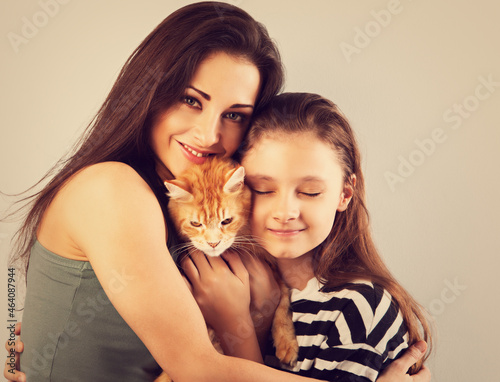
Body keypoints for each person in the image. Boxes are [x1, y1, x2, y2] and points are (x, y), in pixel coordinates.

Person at [3, 2, 430, 381]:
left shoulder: (191, 208)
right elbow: (198, 368)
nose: (209, 134)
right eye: (192, 100)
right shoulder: (112, 188)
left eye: (234, 114)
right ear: (151, 92)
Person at [182, 93, 432, 381]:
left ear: (344, 193)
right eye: (263, 189)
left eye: (310, 192)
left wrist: (235, 325)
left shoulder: (357, 307)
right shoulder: (212, 281)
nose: (285, 212)